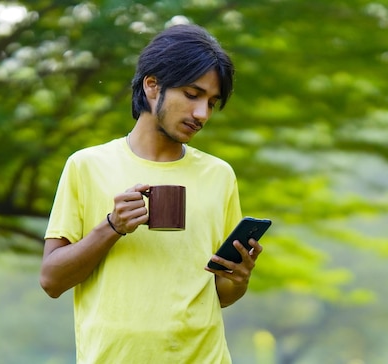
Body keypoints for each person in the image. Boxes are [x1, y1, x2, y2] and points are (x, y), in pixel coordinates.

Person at [40, 24, 263, 363]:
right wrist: (112, 227)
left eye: (211, 102)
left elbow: (218, 294)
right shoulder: (86, 166)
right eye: (192, 94)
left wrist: (239, 279)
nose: (202, 114)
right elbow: (52, 280)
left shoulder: (219, 175)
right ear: (152, 86)